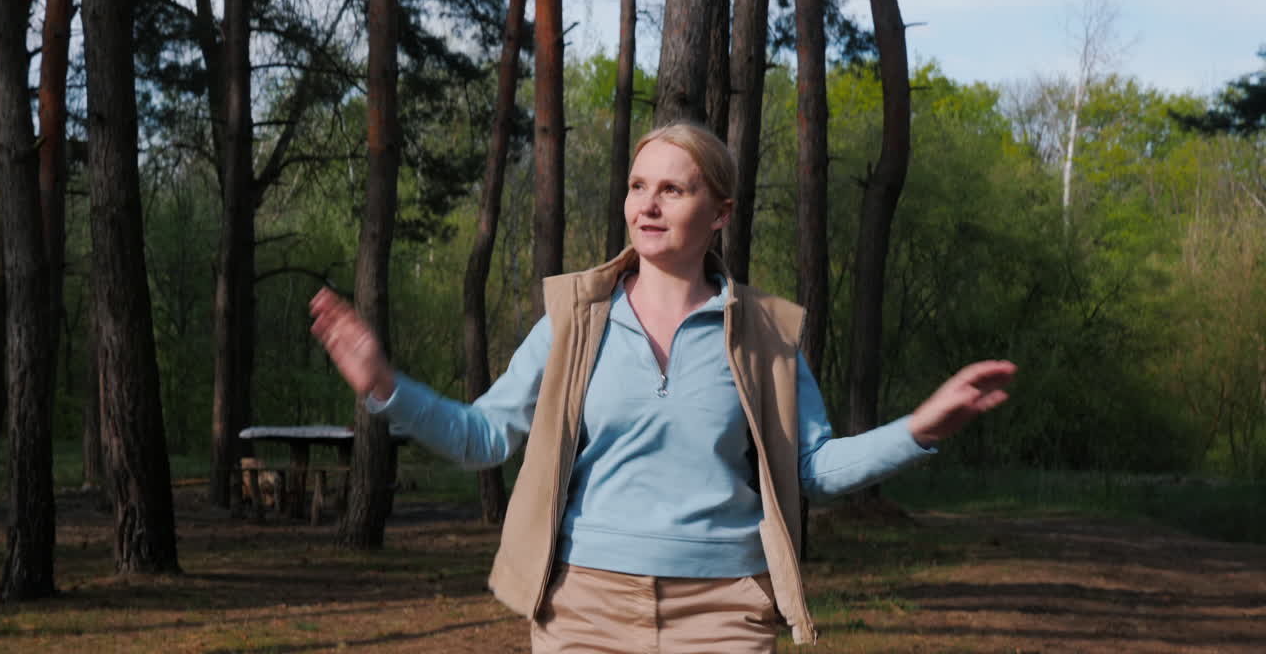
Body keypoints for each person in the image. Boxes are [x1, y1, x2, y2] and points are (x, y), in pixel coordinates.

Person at [310, 122, 1016, 652]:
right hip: (583, 608)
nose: (647, 204)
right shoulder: (575, 322)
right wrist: (386, 386)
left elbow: (812, 469)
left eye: (673, 188)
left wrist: (920, 428)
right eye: (638, 185)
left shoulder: (766, 334)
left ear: (720, 214)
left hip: (725, 614)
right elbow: (484, 437)